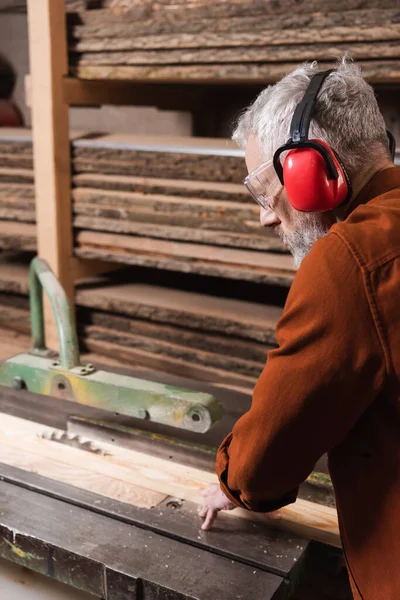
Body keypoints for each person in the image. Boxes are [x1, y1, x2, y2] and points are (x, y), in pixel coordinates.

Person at [199, 58, 400, 600]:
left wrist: (233, 479)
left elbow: (267, 460)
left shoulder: (351, 261)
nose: (266, 215)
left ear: (315, 171)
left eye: (266, 189)